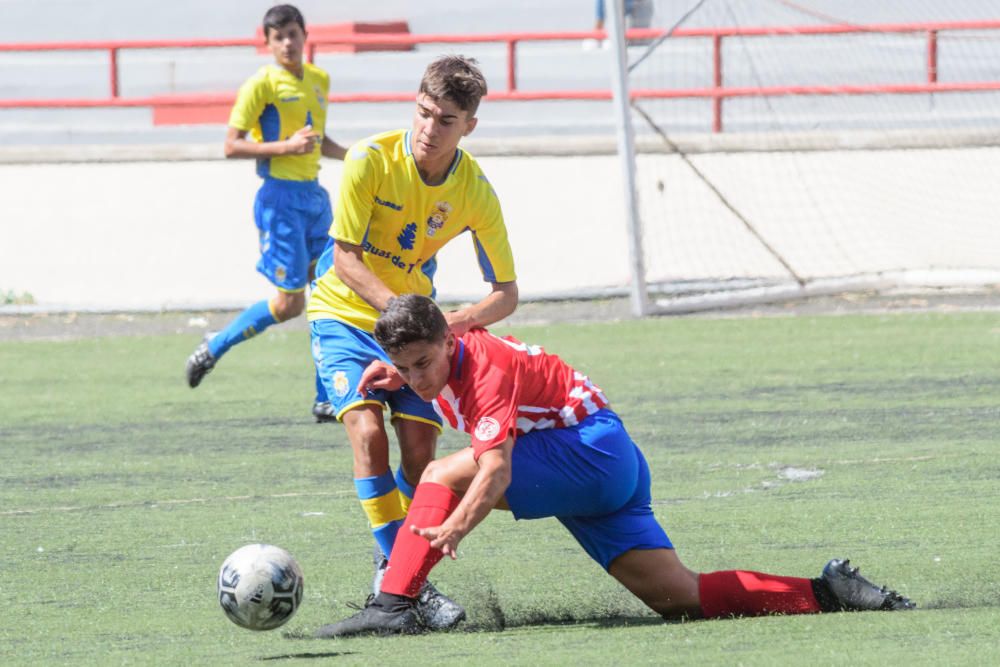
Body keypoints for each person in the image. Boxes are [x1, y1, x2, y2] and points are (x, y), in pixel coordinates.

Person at [315, 295, 915, 637]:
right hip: (606, 456)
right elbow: (449, 394)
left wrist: (452, 532)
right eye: (406, 368)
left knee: (442, 476)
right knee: (680, 597)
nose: (418, 378)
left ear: (450, 339)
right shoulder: (440, 358)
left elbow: (494, 471)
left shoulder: (485, 366)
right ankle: (828, 591)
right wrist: (405, 377)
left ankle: (393, 604)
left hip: (588, 452)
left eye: (424, 362)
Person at [305, 56, 519, 628]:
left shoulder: (474, 190)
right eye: (423, 112)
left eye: (446, 119)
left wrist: (450, 326)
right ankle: (411, 589)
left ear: (469, 124)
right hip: (345, 315)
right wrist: (397, 314)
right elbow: (345, 258)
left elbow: (506, 294)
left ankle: (391, 571)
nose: (429, 128)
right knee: (368, 432)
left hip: (413, 330)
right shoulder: (369, 159)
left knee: (422, 457)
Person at [185, 4, 347, 424]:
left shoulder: (319, 80)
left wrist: (359, 157)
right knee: (289, 304)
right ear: (269, 43)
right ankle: (215, 344)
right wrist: (285, 148)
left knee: (331, 293)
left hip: (315, 199)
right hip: (279, 201)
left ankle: (325, 396)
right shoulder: (261, 84)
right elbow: (231, 145)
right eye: (279, 37)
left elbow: (320, 139)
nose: (288, 43)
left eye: (293, 34)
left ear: (305, 35)